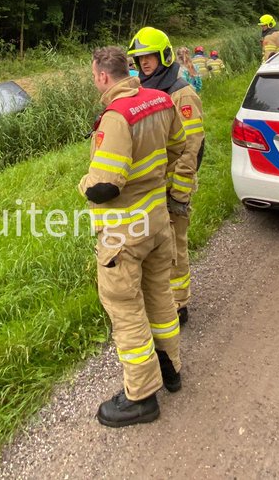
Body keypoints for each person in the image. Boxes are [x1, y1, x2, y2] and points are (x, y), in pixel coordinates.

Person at [83, 45, 187, 427]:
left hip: (124, 235)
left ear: (102, 76)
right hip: (158, 224)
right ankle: (171, 369)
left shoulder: (116, 117)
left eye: (93, 75)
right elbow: (179, 147)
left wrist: (83, 183)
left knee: (125, 310)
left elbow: (105, 185)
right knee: (160, 297)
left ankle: (141, 396)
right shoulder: (160, 100)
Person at [128, 27, 204, 326]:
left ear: (164, 56)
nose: (144, 63)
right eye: (139, 58)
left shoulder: (181, 93)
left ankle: (179, 303)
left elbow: (191, 148)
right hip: (153, 186)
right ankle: (159, 300)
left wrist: (179, 191)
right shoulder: (147, 90)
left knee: (175, 247)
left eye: (149, 57)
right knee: (158, 250)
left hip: (174, 186)